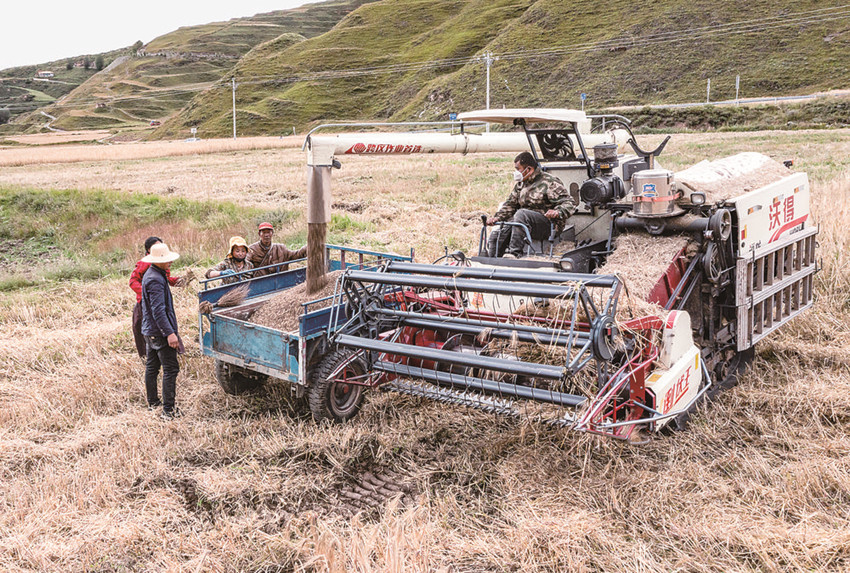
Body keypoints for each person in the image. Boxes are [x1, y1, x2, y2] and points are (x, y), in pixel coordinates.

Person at [486, 151, 577, 258]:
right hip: (524, 222)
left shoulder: (549, 182)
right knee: (500, 232)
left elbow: (569, 203)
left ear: (528, 169)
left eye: (518, 169)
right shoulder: (521, 184)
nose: (516, 173)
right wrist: (497, 218)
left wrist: (557, 212)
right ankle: (492, 259)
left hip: (548, 225)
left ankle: (514, 253)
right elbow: (510, 204)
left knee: (521, 214)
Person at [141, 242, 184, 419]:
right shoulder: (155, 279)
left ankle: (153, 403)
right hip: (159, 332)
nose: (170, 262)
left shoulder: (153, 274)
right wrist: (170, 333)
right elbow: (158, 311)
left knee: (152, 367)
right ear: (157, 260)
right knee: (171, 369)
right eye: (167, 259)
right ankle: (168, 410)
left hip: (150, 330)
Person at [129, 236, 186, 359]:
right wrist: (147, 294)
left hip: (159, 300)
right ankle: (148, 357)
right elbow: (133, 281)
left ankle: (170, 352)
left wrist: (180, 281)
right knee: (148, 330)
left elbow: (166, 280)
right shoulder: (144, 264)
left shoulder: (163, 264)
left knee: (166, 324)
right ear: (149, 250)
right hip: (144, 304)